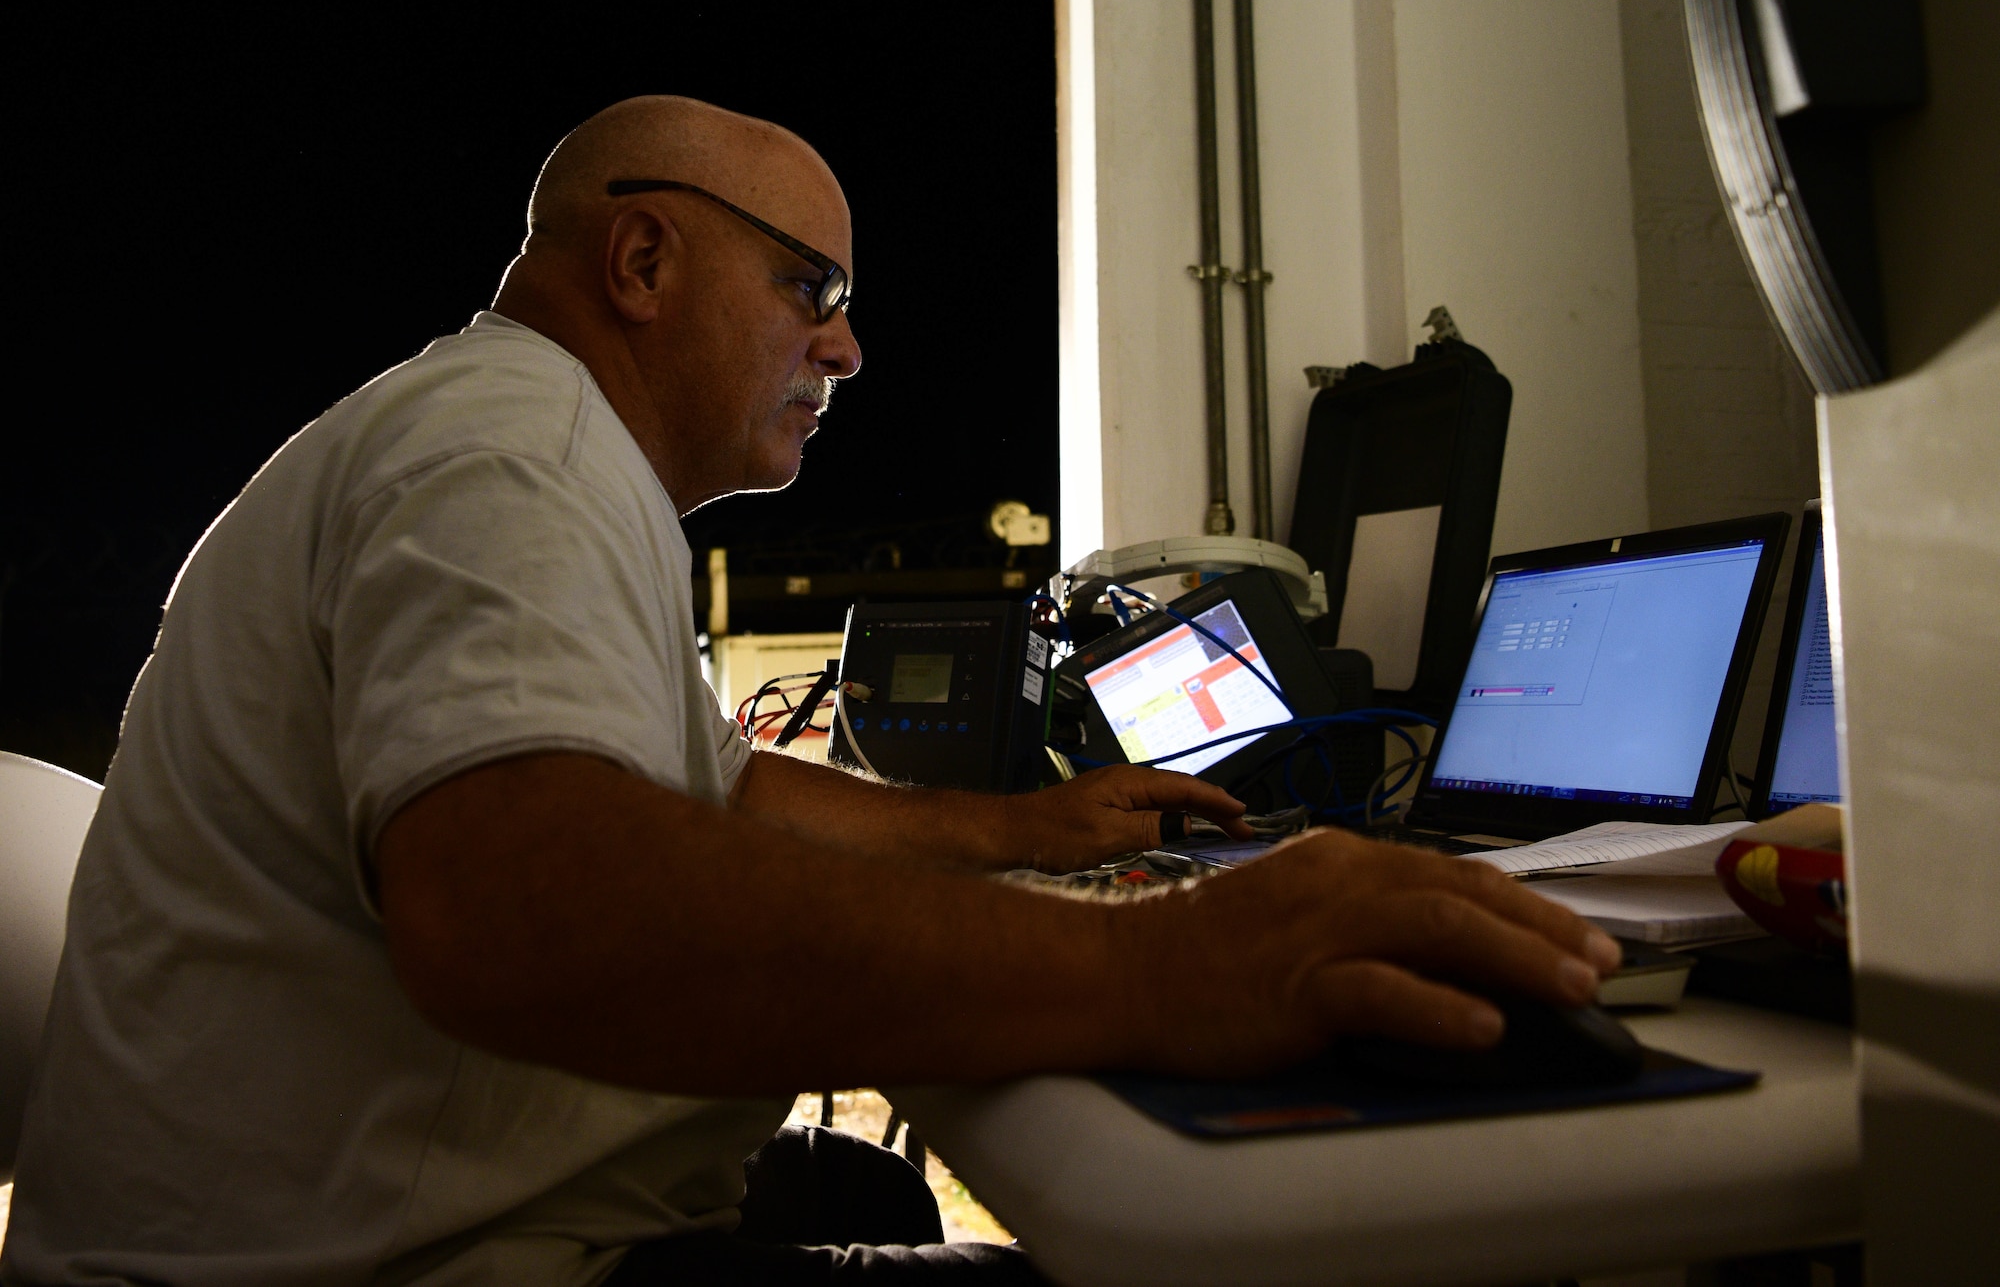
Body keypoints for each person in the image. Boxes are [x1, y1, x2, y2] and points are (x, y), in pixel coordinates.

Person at [1, 97, 1620, 1286]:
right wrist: (1169, 964)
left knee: (882, 1193)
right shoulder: (511, 451)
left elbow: (724, 788)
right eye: (814, 292)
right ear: (643, 256)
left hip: (348, 1228)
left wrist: (1020, 827)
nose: (846, 351)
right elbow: (527, 905)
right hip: (390, 1267)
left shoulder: (520, 449)